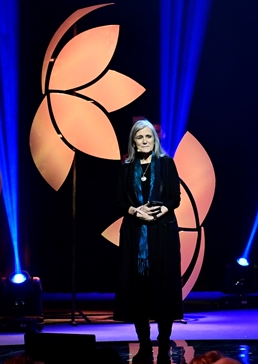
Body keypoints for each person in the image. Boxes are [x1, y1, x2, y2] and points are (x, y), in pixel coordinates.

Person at [113, 120, 182, 364]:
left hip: (162, 235)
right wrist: (135, 212)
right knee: (138, 294)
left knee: (164, 292)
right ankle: (144, 346)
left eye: (149, 137)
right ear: (133, 141)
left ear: (155, 139)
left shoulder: (166, 164)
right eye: (139, 137)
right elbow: (119, 201)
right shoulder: (126, 167)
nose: (144, 141)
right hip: (134, 236)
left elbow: (175, 198)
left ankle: (164, 346)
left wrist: (160, 211)